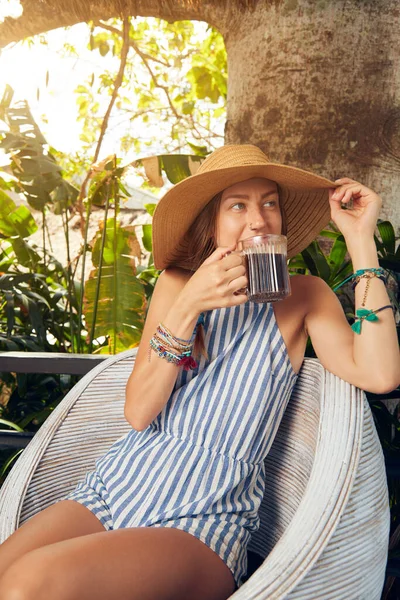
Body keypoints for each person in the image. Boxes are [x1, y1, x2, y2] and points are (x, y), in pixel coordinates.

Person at [0, 144, 399, 600]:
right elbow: (138, 412)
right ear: (211, 222)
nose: (258, 219)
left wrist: (361, 241)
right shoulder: (175, 284)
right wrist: (190, 304)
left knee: (27, 587)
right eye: (237, 205)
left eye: (269, 202)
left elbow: (380, 375)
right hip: (115, 487)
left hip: (203, 519)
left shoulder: (303, 296)